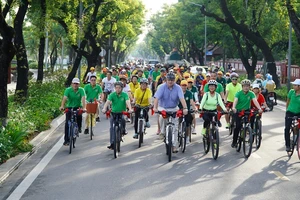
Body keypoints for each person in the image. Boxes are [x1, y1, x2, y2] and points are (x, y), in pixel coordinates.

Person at [153, 72, 188, 153]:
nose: (170, 82)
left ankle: (175, 145)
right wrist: (155, 107)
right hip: (163, 107)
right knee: (161, 118)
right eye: (169, 80)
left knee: (175, 128)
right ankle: (162, 132)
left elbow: (182, 99)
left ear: (174, 80)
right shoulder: (161, 87)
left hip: (174, 108)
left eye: (172, 80)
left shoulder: (178, 88)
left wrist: (185, 108)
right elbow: (156, 98)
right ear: (166, 80)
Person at [231, 79, 263, 148]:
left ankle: (245, 132)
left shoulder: (251, 93)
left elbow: (255, 101)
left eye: (247, 86)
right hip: (238, 111)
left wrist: (259, 108)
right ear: (242, 86)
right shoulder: (238, 93)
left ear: (249, 87)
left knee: (247, 123)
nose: (246, 87)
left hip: (246, 111)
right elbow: (235, 100)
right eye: (244, 86)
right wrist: (234, 108)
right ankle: (234, 142)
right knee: (237, 126)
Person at [102, 82, 133, 150]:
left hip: (122, 112)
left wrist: (130, 109)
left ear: (122, 88)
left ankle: (123, 130)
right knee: (112, 128)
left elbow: (127, 101)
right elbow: (107, 101)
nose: (117, 89)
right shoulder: (112, 94)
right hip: (113, 113)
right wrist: (104, 108)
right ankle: (112, 143)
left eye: (119, 88)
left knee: (123, 119)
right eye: (116, 88)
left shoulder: (124, 94)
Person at [60, 78, 86, 146]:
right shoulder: (68, 90)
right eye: (74, 83)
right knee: (67, 124)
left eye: (77, 84)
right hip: (69, 107)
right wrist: (62, 106)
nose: (75, 85)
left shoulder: (81, 90)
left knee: (79, 116)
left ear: (79, 84)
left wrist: (84, 108)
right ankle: (66, 140)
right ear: (72, 84)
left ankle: (79, 128)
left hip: (78, 107)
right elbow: (65, 98)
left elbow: (83, 98)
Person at [284, 79, 300, 152]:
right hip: (290, 112)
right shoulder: (291, 92)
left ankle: (297, 140)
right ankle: (287, 145)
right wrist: (287, 110)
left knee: (297, 127)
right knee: (287, 128)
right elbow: (288, 101)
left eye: (295, 85)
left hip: (298, 112)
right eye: (293, 85)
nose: (293, 86)